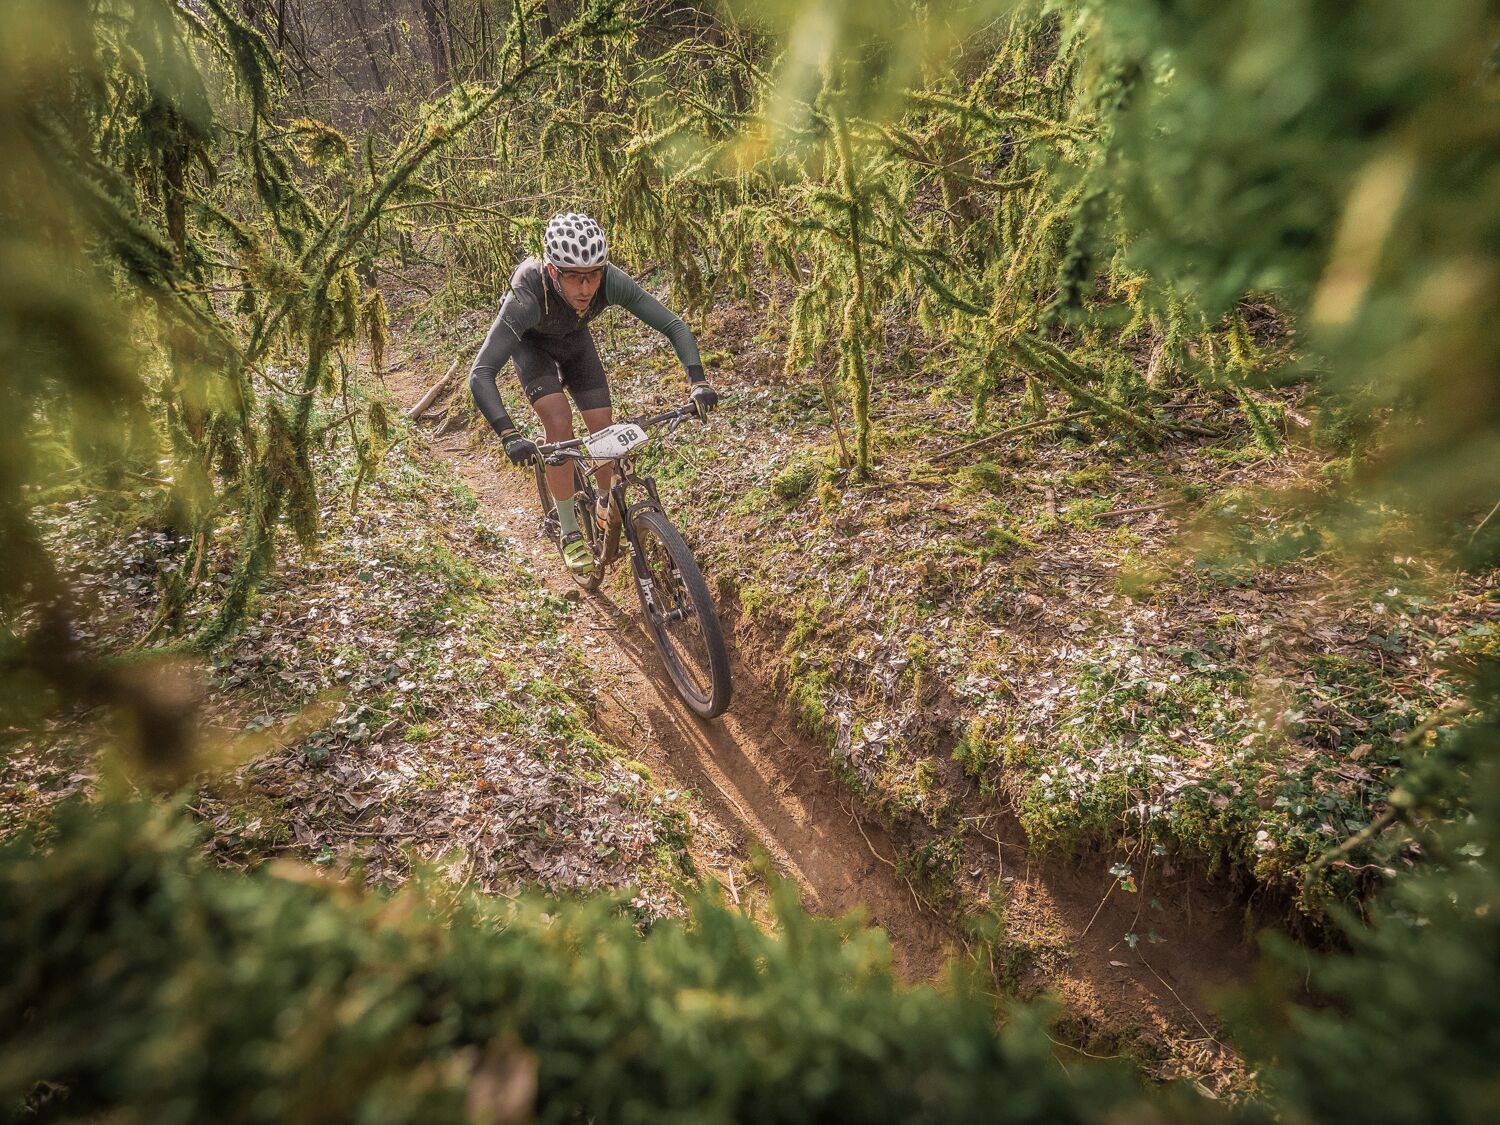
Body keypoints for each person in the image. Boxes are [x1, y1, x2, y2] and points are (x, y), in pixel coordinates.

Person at [468, 213, 719, 575]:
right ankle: (570, 532)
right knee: (558, 421)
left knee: (603, 428)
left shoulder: (609, 282)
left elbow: (673, 325)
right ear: (554, 273)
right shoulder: (526, 296)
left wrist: (698, 381)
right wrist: (508, 434)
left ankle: (604, 502)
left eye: (593, 275)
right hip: (531, 348)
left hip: (576, 344)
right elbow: (481, 373)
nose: (586, 288)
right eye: (574, 278)